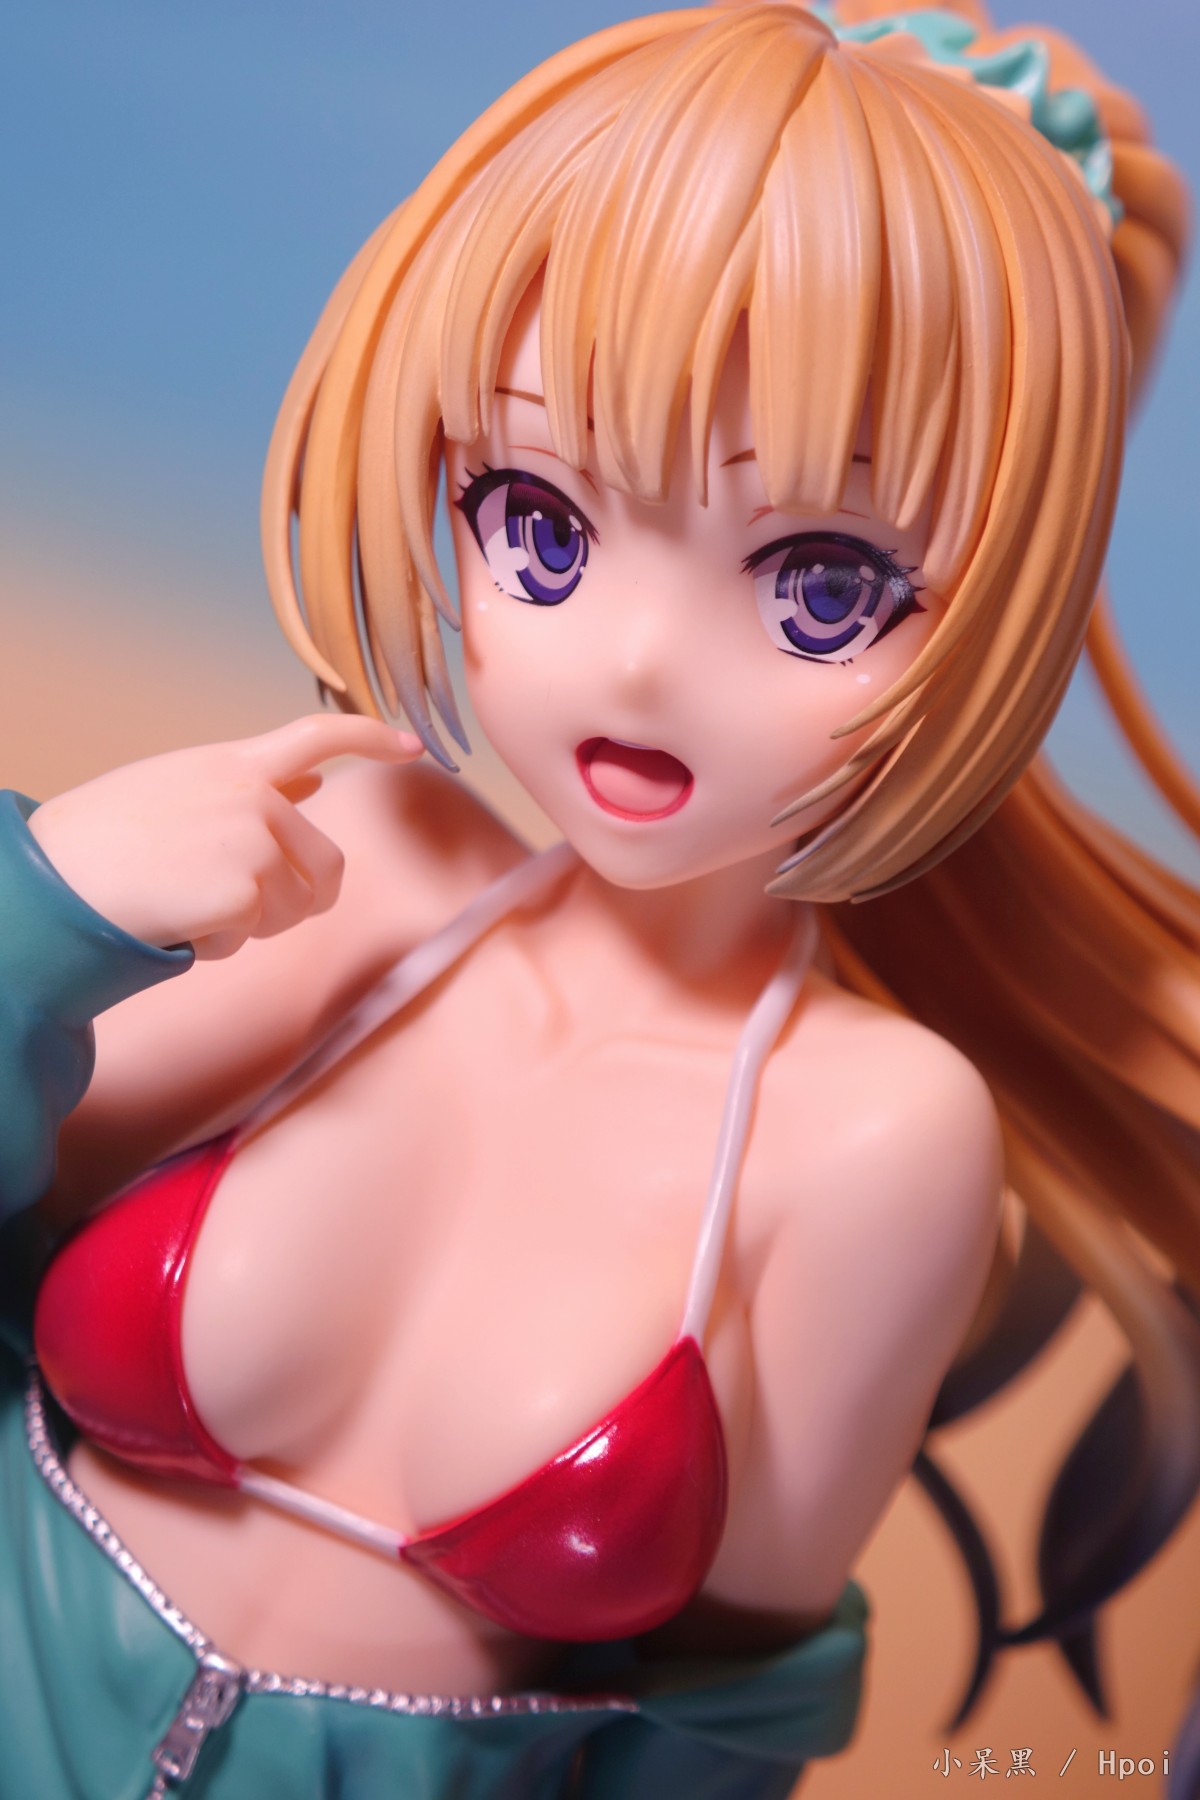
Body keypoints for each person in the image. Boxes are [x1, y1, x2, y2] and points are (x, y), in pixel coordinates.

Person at [1, 2, 1196, 1795]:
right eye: (541, 528)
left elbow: (714, 1727)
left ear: (999, 612)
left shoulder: (870, 1139)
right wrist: (44, 912)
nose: (635, 664)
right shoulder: (363, 876)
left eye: (822, 588)